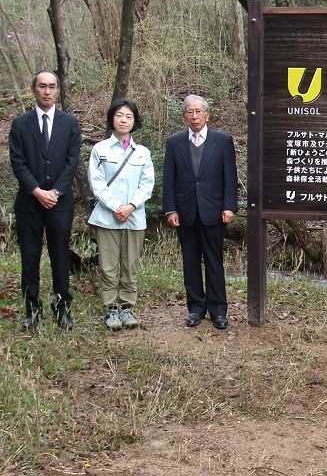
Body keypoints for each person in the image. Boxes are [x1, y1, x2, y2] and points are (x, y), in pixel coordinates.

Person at [9, 70, 82, 330]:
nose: (47, 91)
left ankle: (62, 307)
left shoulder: (69, 123)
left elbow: (73, 160)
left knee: (60, 256)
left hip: (60, 204)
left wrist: (57, 192)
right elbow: (17, 161)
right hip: (30, 203)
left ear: (57, 90)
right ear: (34, 90)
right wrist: (37, 191)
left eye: (52, 86)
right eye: (42, 86)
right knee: (30, 256)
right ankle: (32, 309)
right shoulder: (20, 124)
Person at [163, 95, 237, 330]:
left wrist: (229, 206)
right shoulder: (175, 143)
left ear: (207, 114)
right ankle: (196, 308)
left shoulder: (222, 141)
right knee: (190, 261)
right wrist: (170, 209)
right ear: (184, 115)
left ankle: (218, 310)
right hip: (185, 212)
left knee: (214, 261)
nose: (195, 116)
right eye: (190, 112)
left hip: (214, 211)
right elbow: (169, 180)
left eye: (199, 112)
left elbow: (230, 178)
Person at [87, 99, 154, 330]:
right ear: (112, 119)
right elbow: (97, 183)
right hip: (107, 217)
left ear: (134, 122)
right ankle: (110, 308)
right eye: (119, 115)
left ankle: (127, 307)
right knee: (108, 265)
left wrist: (131, 206)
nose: (123, 120)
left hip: (134, 217)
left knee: (130, 264)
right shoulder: (100, 150)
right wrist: (116, 206)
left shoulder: (143, 153)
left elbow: (147, 185)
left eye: (128, 116)